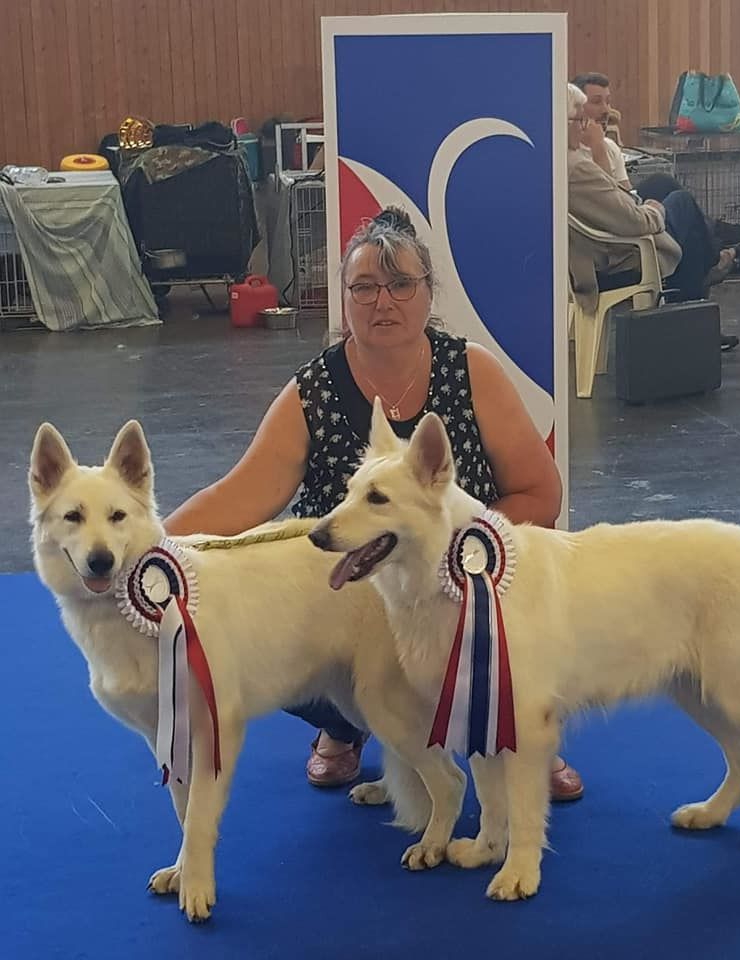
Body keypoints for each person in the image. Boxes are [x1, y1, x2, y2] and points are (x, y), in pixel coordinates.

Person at [164, 207, 585, 802]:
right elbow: (239, 497)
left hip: (465, 580)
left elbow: (541, 493)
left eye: (400, 285)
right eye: (363, 287)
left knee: (506, 609)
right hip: (349, 581)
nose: (381, 301)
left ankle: (517, 736)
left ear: (427, 294)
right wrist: (153, 550)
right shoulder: (310, 390)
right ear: (344, 299)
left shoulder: (473, 371)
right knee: (271, 613)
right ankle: (342, 728)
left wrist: (465, 556)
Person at [566, 85, 739, 350]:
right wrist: (653, 211)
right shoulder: (577, 166)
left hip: (604, 229)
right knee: (682, 204)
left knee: (662, 183)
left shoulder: (567, 156)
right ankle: (708, 268)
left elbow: (616, 193)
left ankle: (708, 255)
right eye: (582, 117)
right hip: (617, 252)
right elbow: (633, 220)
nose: (588, 123)